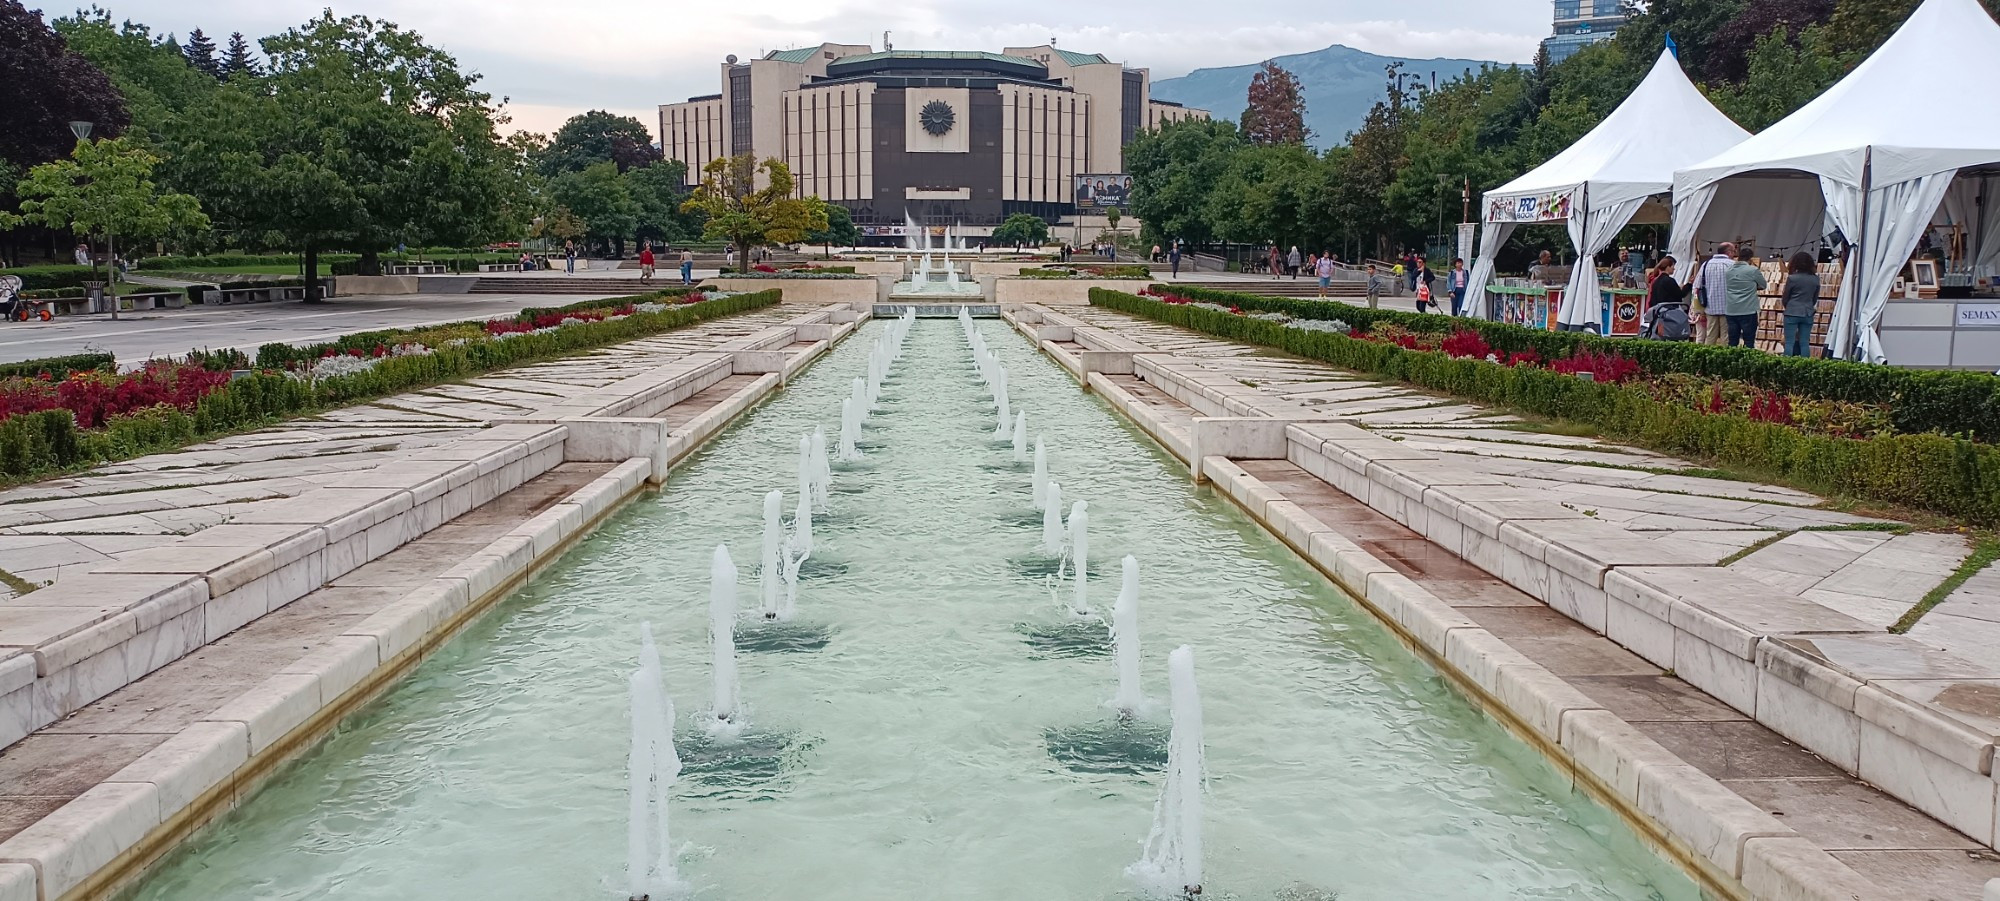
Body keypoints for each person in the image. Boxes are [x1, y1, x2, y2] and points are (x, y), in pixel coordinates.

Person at [1642, 254, 1695, 341]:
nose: (1674, 268)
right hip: (1669, 314)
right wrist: (1689, 284)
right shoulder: (1669, 281)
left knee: (1660, 334)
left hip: (1658, 313)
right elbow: (1680, 294)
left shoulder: (1656, 281)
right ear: (1667, 267)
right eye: (1673, 266)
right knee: (1671, 336)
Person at [1724, 251, 1767, 348]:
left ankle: (1731, 361)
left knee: (1732, 341)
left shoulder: (1728, 271)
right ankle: (1747, 361)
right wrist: (1752, 286)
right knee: (1749, 340)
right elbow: (1763, 285)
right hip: (1748, 309)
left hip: (1731, 309)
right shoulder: (1753, 270)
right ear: (1750, 258)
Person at [1695, 243, 1736, 345]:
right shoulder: (1732, 265)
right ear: (1729, 252)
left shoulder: (1705, 265)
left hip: (1710, 307)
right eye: (1734, 251)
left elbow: (1697, 286)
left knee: (1710, 337)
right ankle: (1724, 359)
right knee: (1726, 337)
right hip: (1728, 307)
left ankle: (1709, 358)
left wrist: (1699, 309)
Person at [1781, 251, 1820, 357]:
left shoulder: (1792, 278)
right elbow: (1815, 298)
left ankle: (1787, 365)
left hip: (1792, 311)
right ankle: (1804, 367)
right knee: (1804, 342)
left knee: (1789, 342)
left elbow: (1786, 297)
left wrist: (1788, 306)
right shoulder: (1815, 279)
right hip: (1807, 312)